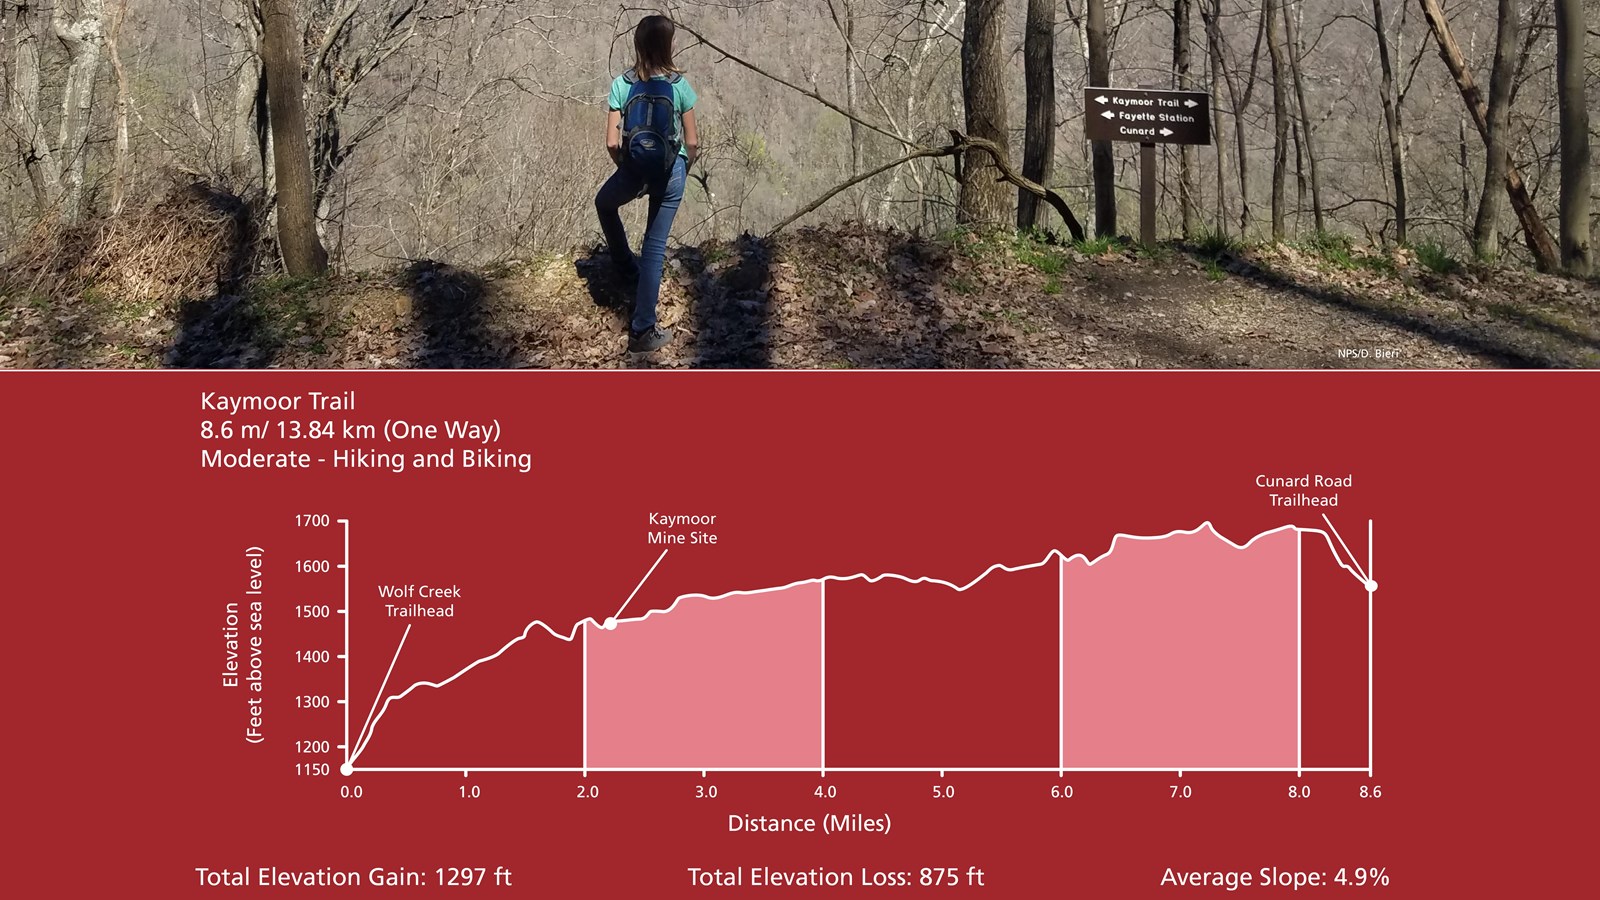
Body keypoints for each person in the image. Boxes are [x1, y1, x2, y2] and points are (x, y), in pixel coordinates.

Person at [596, 15, 700, 353]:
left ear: (638, 44)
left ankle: (625, 265)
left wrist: (629, 170)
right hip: (671, 173)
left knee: (604, 204)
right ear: (668, 46)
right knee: (654, 246)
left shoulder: (622, 84)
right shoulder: (679, 85)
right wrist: (681, 164)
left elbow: (612, 142)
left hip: (633, 169)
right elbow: (693, 141)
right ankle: (643, 330)